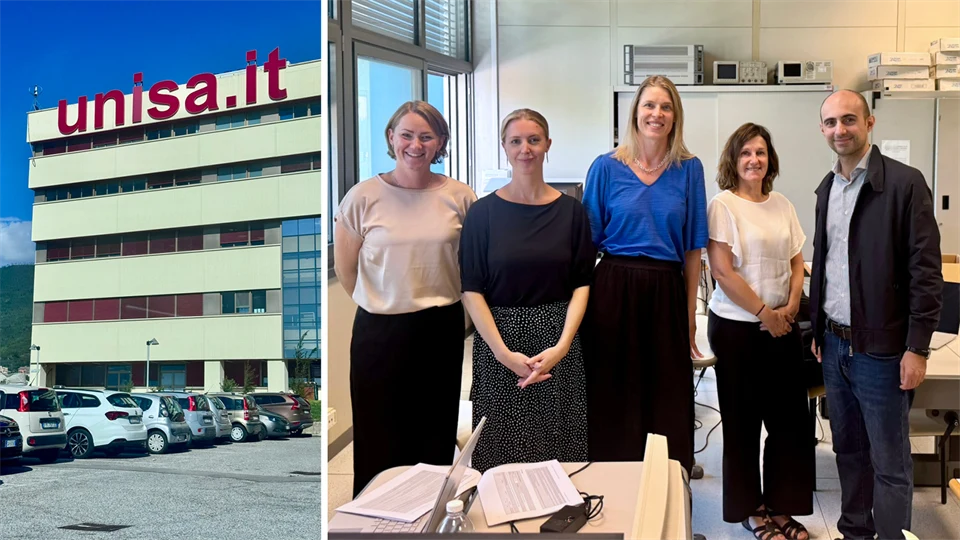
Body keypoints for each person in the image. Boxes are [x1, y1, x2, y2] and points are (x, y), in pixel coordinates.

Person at [810, 90, 942, 540]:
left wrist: (917, 347)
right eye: (830, 122)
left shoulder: (905, 184)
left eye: (849, 120)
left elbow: (926, 272)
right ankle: (855, 533)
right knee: (848, 451)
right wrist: (816, 326)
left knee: (889, 461)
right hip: (834, 344)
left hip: (883, 350)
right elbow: (824, 262)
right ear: (822, 129)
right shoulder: (827, 188)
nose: (839, 130)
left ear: (870, 123)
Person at [334, 101, 477, 497]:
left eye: (427, 136)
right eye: (407, 134)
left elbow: (470, 264)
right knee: (379, 430)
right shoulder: (362, 197)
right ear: (391, 138)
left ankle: (430, 513)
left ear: (441, 143)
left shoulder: (460, 196)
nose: (416, 144)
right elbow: (347, 271)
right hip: (380, 329)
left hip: (440, 327)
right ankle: (375, 515)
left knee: (434, 430)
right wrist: (384, 300)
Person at [581, 75, 707, 472]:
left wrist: (689, 319)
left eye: (665, 107)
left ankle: (668, 490)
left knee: (666, 394)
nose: (657, 114)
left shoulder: (689, 170)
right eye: (649, 105)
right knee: (613, 391)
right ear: (635, 112)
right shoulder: (606, 168)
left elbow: (692, 252)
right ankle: (612, 487)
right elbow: (587, 246)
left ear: (675, 117)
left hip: (667, 290)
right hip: (613, 287)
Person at [459, 109, 595, 473]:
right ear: (504, 147)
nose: (525, 149)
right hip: (499, 342)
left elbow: (583, 283)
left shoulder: (572, 212)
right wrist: (503, 353)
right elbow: (470, 288)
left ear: (547, 145)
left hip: (558, 339)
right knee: (501, 460)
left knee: (560, 455)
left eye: (534, 140)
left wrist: (563, 345)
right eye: (516, 141)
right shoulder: (481, 214)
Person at [706, 123, 813, 540]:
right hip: (737, 329)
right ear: (734, 159)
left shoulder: (782, 203)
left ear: (770, 159)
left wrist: (788, 306)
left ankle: (782, 506)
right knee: (743, 422)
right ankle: (751, 509)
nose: (754, 159)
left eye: (761, 152)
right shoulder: (724, 205)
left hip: (783, 326)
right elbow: (722, 271)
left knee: (789, 422)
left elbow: (795, 261)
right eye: (746, 152)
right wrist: (765, 312)